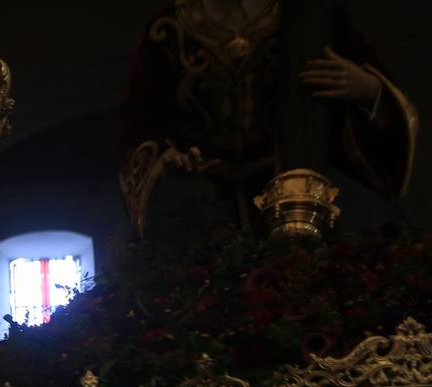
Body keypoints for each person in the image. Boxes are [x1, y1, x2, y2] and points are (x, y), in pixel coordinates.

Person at [119, 0, 417, 240]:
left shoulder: (311, 19)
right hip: (204, 201)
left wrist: (370, 91)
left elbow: (387, 110)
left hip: (295, 189)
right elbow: (141, 119)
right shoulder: (169, 29)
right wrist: (168, 158)